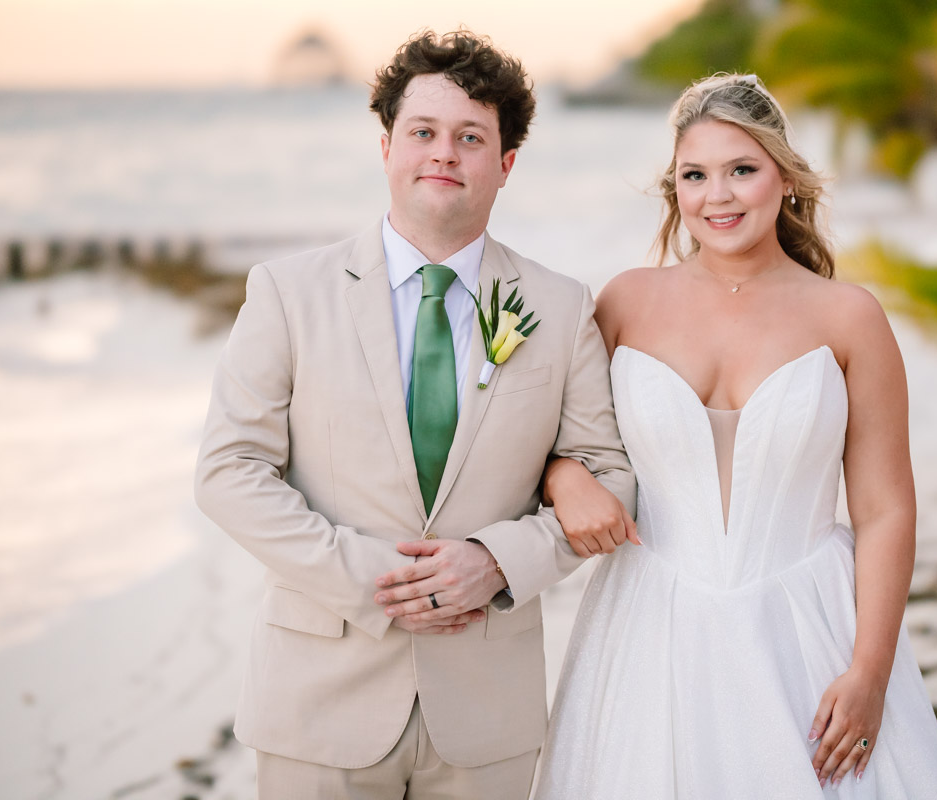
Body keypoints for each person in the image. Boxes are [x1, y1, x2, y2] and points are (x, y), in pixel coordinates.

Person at [194, 30, 635, 800]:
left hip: (486, 713)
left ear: (505, 165)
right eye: (423, 132)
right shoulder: (287, 292)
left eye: (471, 137)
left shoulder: (560, 309)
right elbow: (228, 472)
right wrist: (377, 579)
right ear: (387, 147)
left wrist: (496, 562)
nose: (444, 153)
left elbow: (611, 482)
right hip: (318, 704)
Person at [533, 74, 937, 798]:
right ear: (675, 190)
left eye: (742, 170)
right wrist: (564, 477)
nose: (719, 196)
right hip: (648, 625)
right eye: (695, 176)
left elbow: (886, 509)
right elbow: (552, 436)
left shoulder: (849, 317)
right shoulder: (624, 303)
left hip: (806, 623)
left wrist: (870, 672)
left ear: (786, 179)